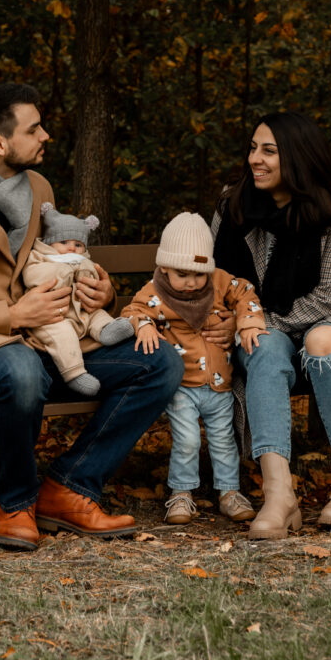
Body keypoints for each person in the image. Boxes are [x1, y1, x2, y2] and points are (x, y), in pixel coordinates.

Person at [0, 83, 183, 551]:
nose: (46, 135)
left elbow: (58, 256)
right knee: (19, 370)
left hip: (52, 341)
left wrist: (99, 288)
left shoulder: (39, 189)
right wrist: (9, 315)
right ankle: (15, 502)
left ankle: (69, 487)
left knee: (159, 362)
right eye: (34, 129)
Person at [211, 111, 331, 539]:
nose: (256, 159)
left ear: (298, 156)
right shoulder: (234, 205)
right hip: (258, 329)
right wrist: (235, 321)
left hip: (327, 319)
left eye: (269, 151)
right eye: (253, 148)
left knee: (322, 340)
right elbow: (213, 278)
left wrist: (254, 319)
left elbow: (329, 296)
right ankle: (279, 496)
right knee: (263, 347)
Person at [121, 212, 268, 526]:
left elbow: (245, 294)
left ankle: (229, 493)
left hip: (220, 383)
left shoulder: (218, 282)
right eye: (182, 274)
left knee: (224, 439)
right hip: (183, 386)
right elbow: (131, 311)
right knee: (187, 439)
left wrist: (249, 322)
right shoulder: (155, 291)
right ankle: (181, 493)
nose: (191, 283)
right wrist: (144, 326)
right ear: (164, 268)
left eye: (199, 275)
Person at [21, 202, 134, 396]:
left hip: (82, 312)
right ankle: (74, 373)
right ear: (50, 243)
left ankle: (107, 330)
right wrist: (63, 271)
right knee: (62, 334)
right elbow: (32, 275)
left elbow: (94, 282)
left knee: (97, 315)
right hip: (52, 317)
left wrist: (87, 273)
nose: (71, 248)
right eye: (64, 242)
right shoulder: (40, 257)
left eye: (78, 244)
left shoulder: (84, 261)